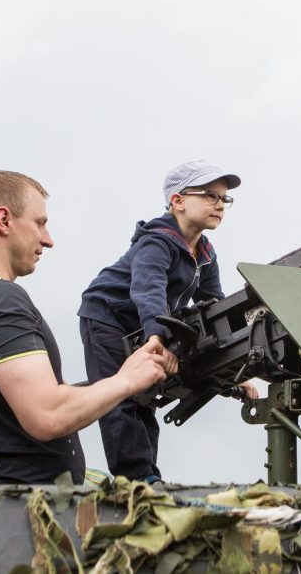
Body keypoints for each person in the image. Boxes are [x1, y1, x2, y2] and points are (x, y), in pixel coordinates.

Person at [0, 171, 169, 484]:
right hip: (25, 511)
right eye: (39, 223)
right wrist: (125, 382)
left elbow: (33, 402)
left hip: (3, 505)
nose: (48, 239)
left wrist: (126, 378)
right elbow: (47, 414)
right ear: (3, 220)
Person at [77, 160, 258, 483]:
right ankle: (137, 479)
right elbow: (148, 290)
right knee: (121, 396)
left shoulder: (205, 253)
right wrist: (156, 340)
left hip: (144, 326)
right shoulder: (157, 241)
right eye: (209, 196)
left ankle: (147, 476)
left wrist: (236, 367)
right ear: (177, 201)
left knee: (145, 398)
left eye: (224, 199)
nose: (219, 205)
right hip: (107, 316)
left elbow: (216, 307)